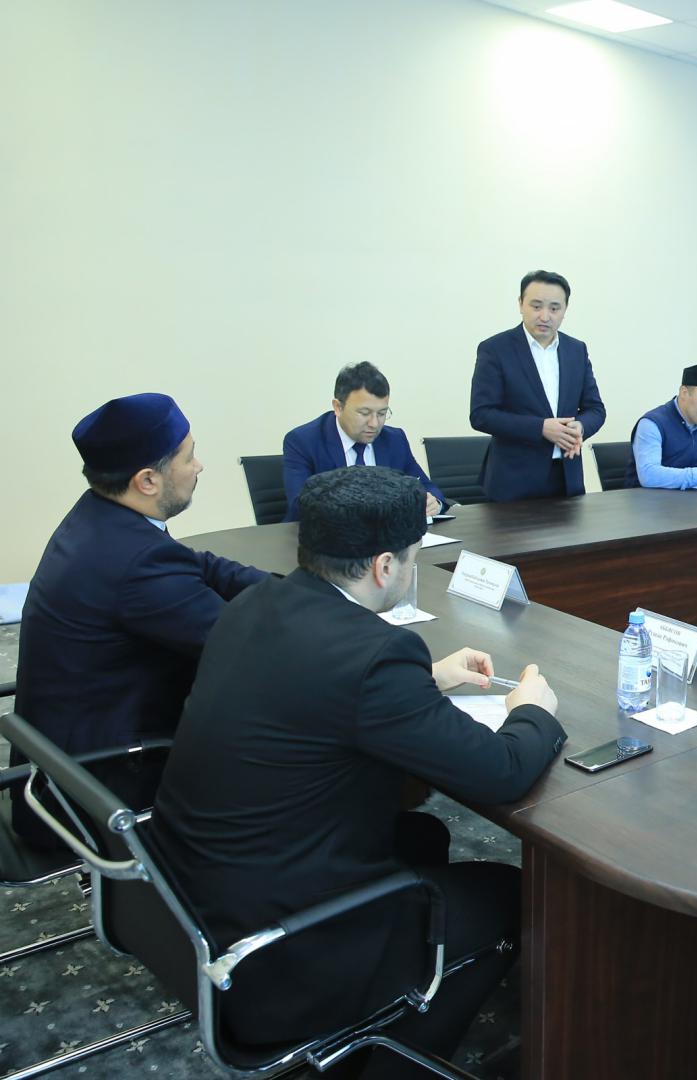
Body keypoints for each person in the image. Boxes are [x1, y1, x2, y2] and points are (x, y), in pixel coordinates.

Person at [150, 467, 568, 1080]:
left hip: (188, 900)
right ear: (384, 566)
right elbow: (502, 772)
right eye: (413, 557)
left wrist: (425, 680)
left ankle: (392, 997)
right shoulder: (375, 653)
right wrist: (532, 710)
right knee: (509, 893)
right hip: (276, 950)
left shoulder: (257, 603)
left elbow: (314, 688)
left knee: (422, 836)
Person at [12, 393, 267, 847]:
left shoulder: (103, 517)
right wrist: (332, 613)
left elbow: (199, 564)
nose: (200, 466)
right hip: (101, 789)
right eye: (189, 457)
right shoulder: (134, 562)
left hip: (61, 763)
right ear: (148, 480)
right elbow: (246, 646)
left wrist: (290, 587)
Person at [470, 269, 606, 500]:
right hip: (513, 483)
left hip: (567, 479)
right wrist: (540, 428)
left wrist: (580, 427)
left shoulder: (576, 350)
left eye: (554, 308)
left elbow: (595, 409)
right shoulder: (495, 349)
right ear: (520, 304)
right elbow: (481, 415)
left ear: (565, 310)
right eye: (536, 306)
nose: (545, 316)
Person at [282, 361, 447, 521]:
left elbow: (426, 486)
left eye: (382, 413)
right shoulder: (303, 441)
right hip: (329, 536)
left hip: (386, 535)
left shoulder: (394, 439)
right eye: (364, 413)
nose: (374, 423)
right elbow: (300, 506)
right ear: (338, 407)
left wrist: (433, 504)